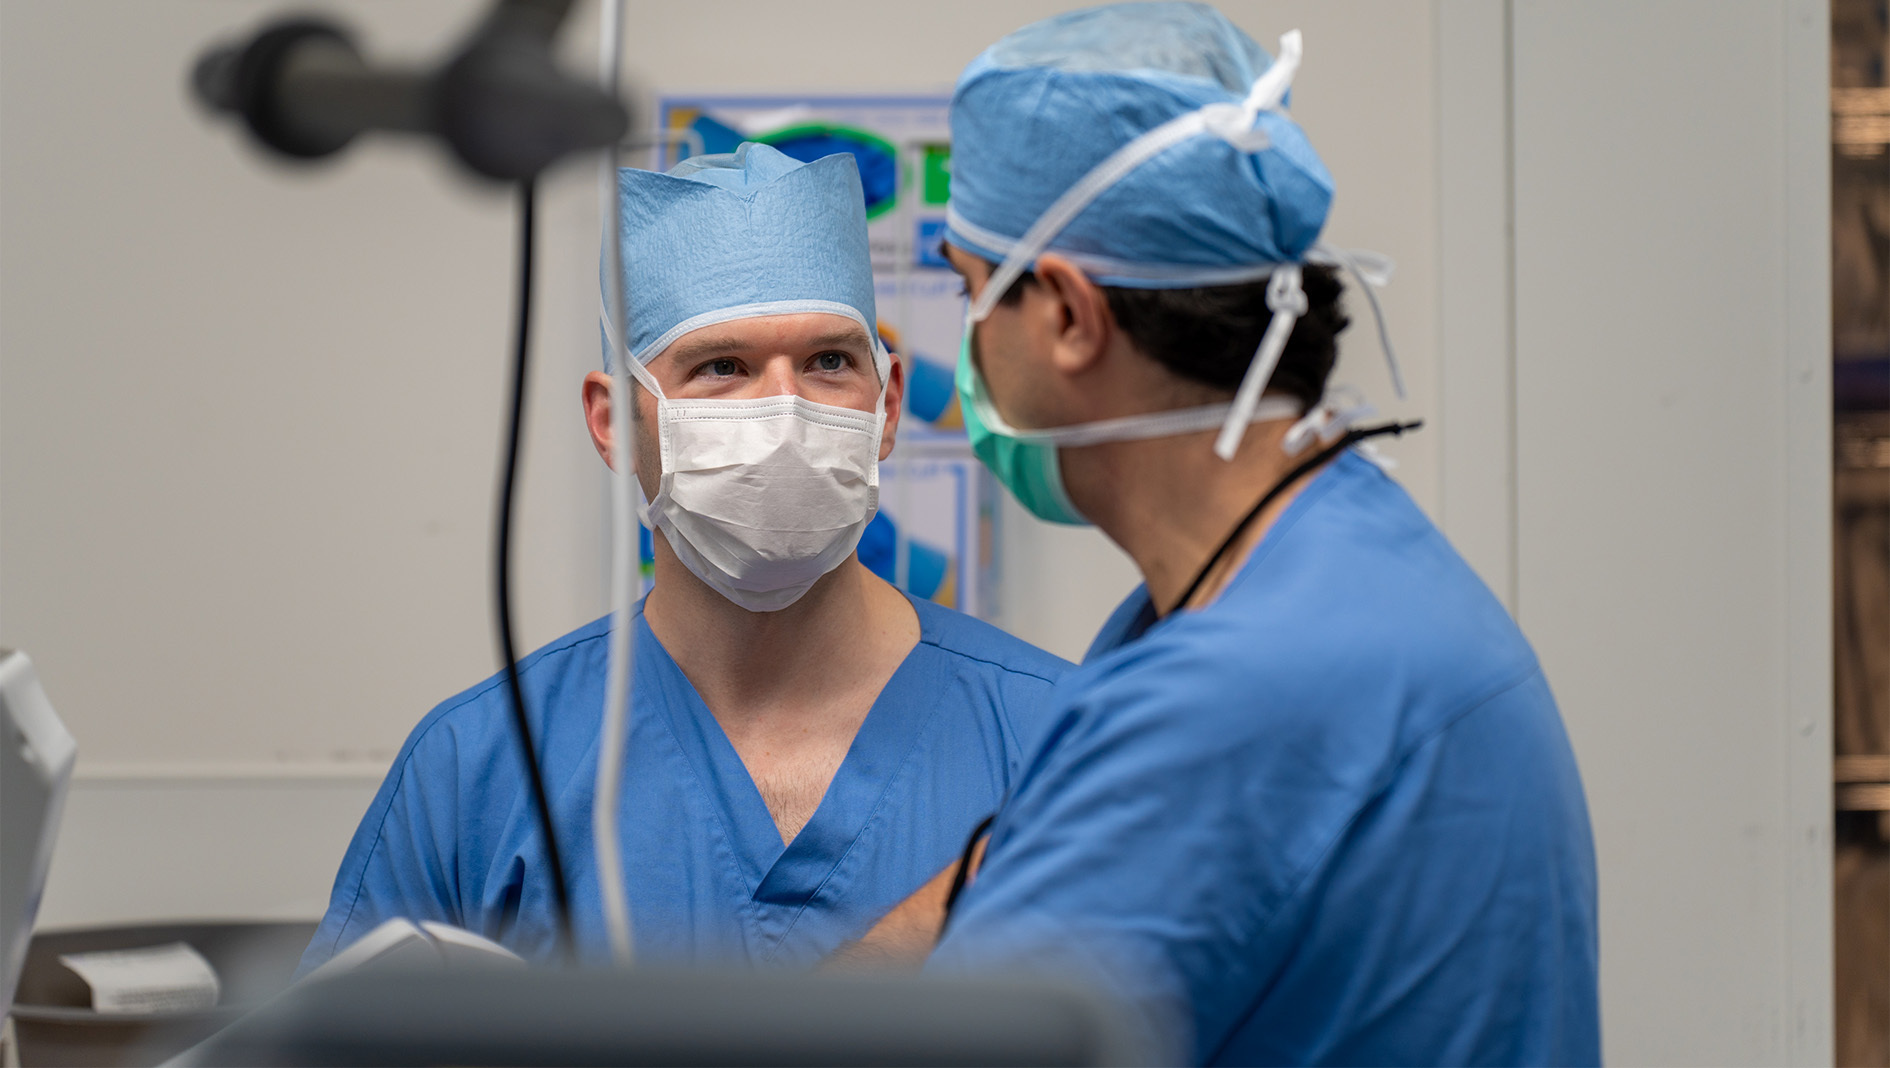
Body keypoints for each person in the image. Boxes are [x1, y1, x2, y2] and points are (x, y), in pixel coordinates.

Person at [862, 5, 1600, 1064]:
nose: (967, 350)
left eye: (971, 290)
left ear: (1068, 315)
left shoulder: (1242, 694)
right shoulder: (1326, 569)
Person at [298, 143, 1068, 972]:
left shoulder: (1054, 737)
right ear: (613, 422)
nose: (783, 410)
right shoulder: (478, 769)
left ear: (884, 406)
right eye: (722, 367)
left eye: (830, 362)